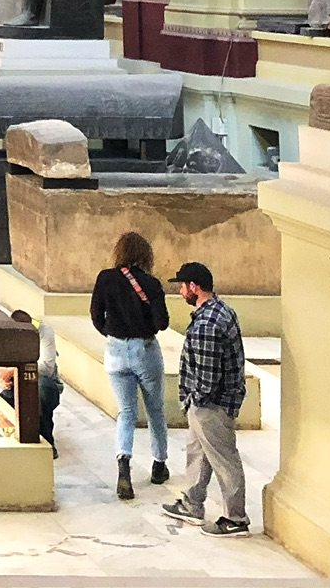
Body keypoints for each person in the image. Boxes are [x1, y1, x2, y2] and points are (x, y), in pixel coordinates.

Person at [162, 262, 250, 536]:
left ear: (194, 287)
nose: (180, 291)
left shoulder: (206, 325)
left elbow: (208, 378)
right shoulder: (222, 310)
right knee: (197, 453)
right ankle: (192, 503)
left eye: (182, 285)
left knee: (224, 460)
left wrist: (195, 399)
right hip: (212, 403)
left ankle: (235, 518)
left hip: (211, 406)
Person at [90, 229, 170, 499]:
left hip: (114, 349)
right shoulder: (151, 284)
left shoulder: (105, 278)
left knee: (126, 412)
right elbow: (162, 323)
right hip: (144, 349)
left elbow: (95, 316)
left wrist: (112, 333)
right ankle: (159, 464)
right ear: (145, 255)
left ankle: (123, 463)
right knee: (155, 408)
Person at [0, 308, 63, 454]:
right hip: (16, 383)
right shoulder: (8, 334)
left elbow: (46, 367)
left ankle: (47, 439)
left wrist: (13, 370)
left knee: (41, 390)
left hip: (45, 384)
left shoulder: (44, 332)